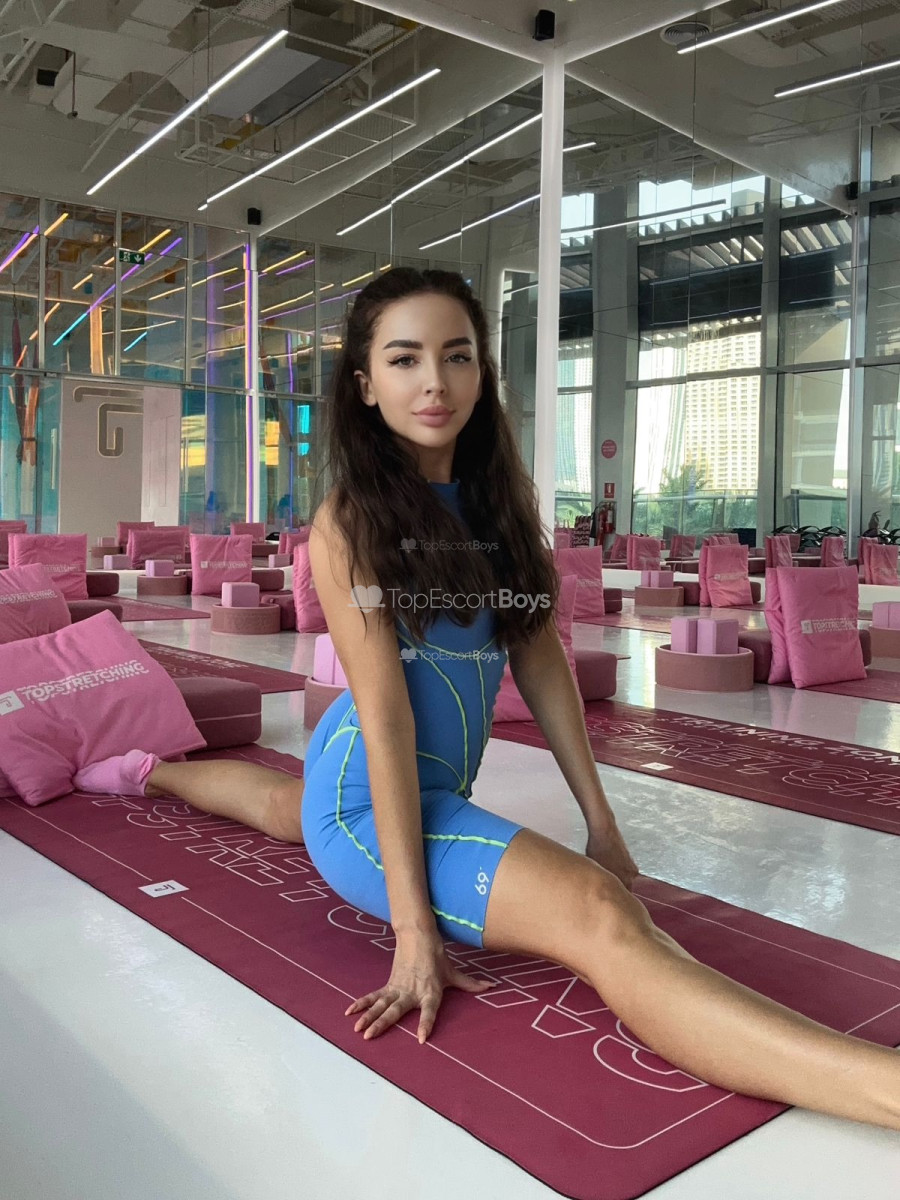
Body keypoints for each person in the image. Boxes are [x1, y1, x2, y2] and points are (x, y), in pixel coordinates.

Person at [77, 267, 898, 1133]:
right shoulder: (351, 523)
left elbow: (542, 667)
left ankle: (149, 772)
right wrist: (413, 933)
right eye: (404, 359)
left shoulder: (499, 508)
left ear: (480, 374)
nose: (434, 381)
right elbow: (386, 718)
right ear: (365, 384)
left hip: (389, 772)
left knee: (286, 805)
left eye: (456, 356)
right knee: (597, 914)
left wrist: (603, 823)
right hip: (369, 785)